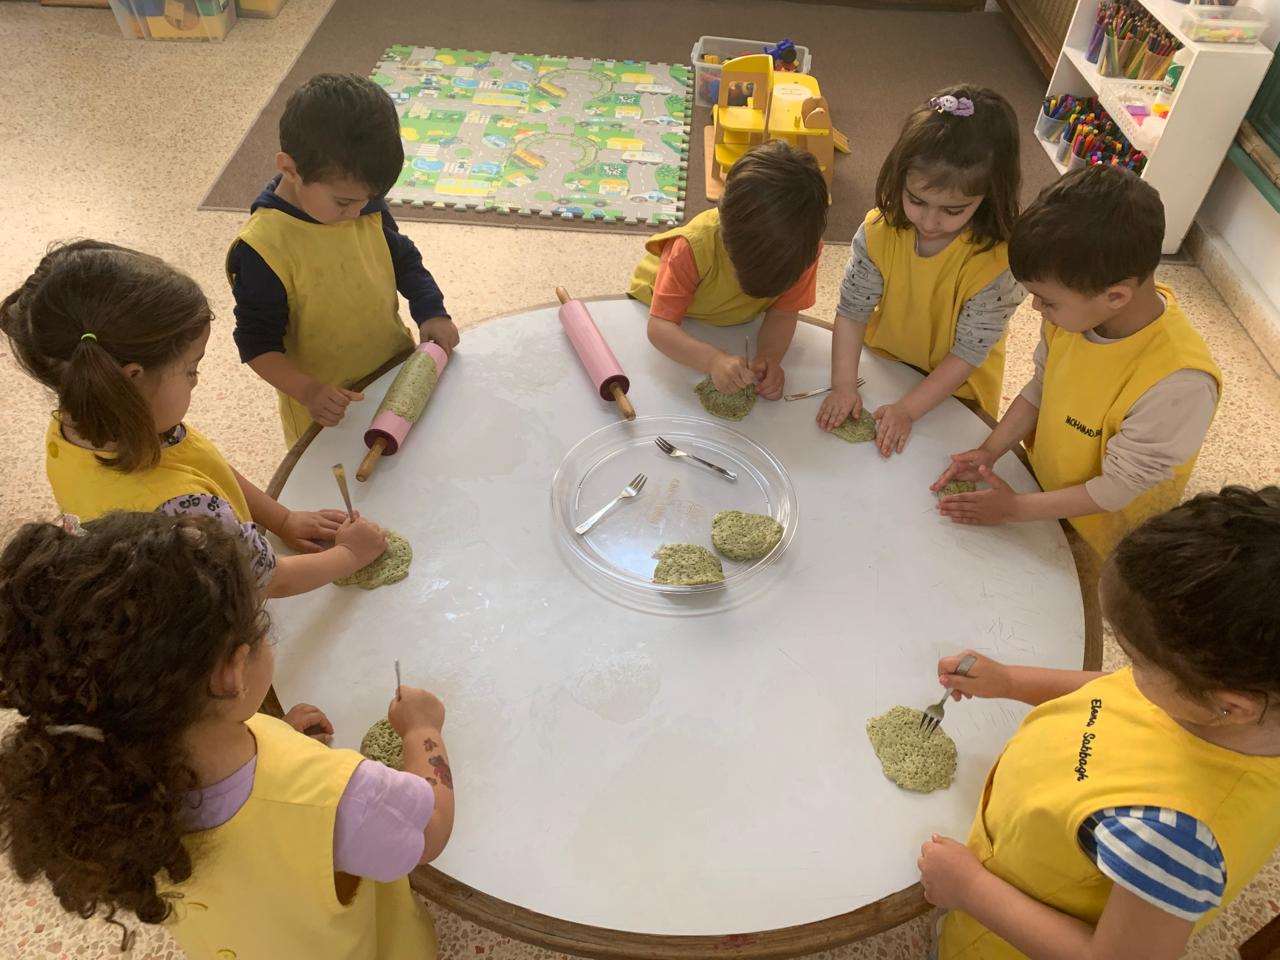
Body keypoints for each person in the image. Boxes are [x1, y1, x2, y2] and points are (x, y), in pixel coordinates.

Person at [0, 511, 455, 960]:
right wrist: (422, 730)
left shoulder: (111, 787)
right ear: (232, 673)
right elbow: (430, 831)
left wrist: (280, 736)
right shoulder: (337, 796)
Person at [919, 485, 1280, 959]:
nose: (1129, 673)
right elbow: (1114, 691)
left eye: (1137, 660)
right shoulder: (1210, 702)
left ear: (1229, 705)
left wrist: (969, 889)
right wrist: (1009, 680)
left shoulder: (1175, 839)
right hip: (1015, 851)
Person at [1, 239, 386, 598]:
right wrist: (350, 555)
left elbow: (206, 466)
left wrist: (282, 520)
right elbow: (263, 578)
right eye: (191, 368)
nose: (197, 380)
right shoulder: (179, 508)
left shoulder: (91, 419)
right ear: (133, 377)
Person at [933, 166, 1221, 558]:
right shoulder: (1075, 316)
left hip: (1106, 536)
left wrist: (1014, 508)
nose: (1036, 308)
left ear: (1116, 297)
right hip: (1046, 491)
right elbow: (1040, 388)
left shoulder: (1179, 382)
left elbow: (1117, 489)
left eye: (1048, 301)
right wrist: (990, 451)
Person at [228, 72, 459, 446]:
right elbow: (257, 345)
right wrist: (309, 391)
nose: (358, 212)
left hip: (395, 374)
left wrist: (431, 310)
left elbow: (403, 258)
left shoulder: (361, 199)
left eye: (369, 199)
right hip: (327, 411)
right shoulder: (262, 249)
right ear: (289, 169)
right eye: (344, 202)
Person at [818, 85, 1022, 456]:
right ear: (899, 178)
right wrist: (843, 385)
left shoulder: (997, 265)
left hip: (958, 393)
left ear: (990, 197)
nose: (929, 222)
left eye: (953, 210)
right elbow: (852, 311)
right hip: (885, 365)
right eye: (916, 200)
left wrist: (908, 410)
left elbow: (967, 354)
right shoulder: (879, 232)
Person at [628, 139, 828, 400]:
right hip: (664, 312)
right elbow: (660, 327)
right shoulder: (691, 247)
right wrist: (712, 361)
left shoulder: (801, 251)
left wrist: (769, 357)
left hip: (733, 324)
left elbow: (783, 312)